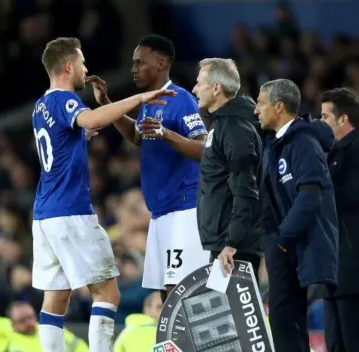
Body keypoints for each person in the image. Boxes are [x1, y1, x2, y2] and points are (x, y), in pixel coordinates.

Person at [31, 36, 175, 352]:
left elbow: (63, 141)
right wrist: (140, 98)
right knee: (108, 293)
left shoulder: (40, 106)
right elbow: (91, 117)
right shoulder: (63, 100)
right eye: (82, 63)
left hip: (44, 214)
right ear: (68, 66)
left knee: (56, 296)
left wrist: (81, 134)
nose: (86, 69)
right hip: (71, 211)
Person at [87, 34, 210, 302]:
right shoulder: (149, 102)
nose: (133, 69)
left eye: (139, 63)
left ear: (161, 62)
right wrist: (107, 105)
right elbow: (137, 136)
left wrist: (167, 133)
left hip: (184, 209)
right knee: (166, 297)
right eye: (133, 64)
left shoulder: (181, 99)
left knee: (183, 295)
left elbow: (203, 149)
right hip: (160, 212)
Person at [139, 57, 264, 278]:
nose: (195, 88)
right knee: (224, 310)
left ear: (216, 88)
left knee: (236, 311)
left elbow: (245, 189)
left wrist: (232, 243)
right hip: (223, 242)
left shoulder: (235, 129)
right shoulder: (223, 124)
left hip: (233, 246)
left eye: (199, 83)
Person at [255, 78, 339, 352]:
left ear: (279, 107)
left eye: (261, 104)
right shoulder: (276, 141)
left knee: (287, 316)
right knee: (282, 315)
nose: (257, 110)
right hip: (281, 239)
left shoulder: (302, 141)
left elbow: (310, 196)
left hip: (291, 241)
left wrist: (283, 237)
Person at [320, 87, 359, 352]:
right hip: (335, 265)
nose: (320, 123)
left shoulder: (355, 151)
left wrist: (316, 196)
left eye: (324, 117)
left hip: (352, 265)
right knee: (335, 344)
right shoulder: (333, 153)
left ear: (343, 119)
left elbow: (350, 195)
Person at [7, 301, 88, 352]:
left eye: (30, 317)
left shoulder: (50, 328)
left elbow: (77, 345)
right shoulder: (10, 342)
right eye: (22, 320)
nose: (28, 323)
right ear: (13, 324)